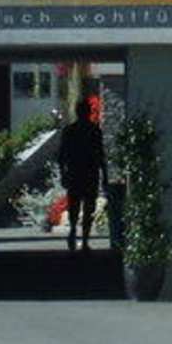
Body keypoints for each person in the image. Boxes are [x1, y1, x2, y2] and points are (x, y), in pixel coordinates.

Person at [58, 97, 107, 252]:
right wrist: (105, 175)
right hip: (89, 173)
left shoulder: (69, 130)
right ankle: (84, 240)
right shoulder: (94, 130)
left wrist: (63, 173)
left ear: (77, 112)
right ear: (88, 112)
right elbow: (100, 155)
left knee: (75, 205)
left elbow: (61, 155)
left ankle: (74, 230)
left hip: (75, 172)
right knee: (88, 208)